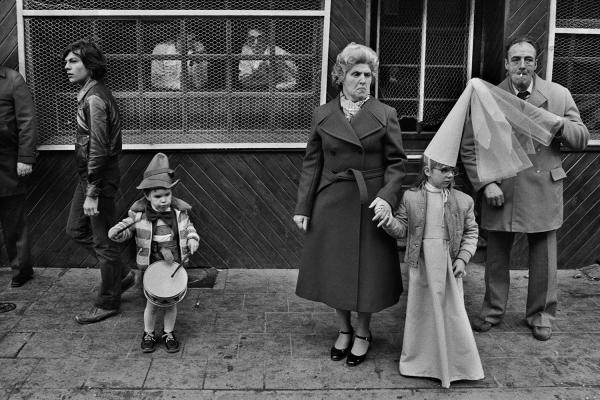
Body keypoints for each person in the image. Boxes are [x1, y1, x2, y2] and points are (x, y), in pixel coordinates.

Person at [461, 36, 589, 341]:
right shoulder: (487, 96)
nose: (522, 65)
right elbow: (469, 146)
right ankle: (492, 310)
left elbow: (581, 138)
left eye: (528, 59)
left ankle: (541, 315)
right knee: (496, 256)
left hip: (542, 184)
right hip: (501, 188)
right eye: (515, 59)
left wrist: (558, 123)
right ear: (506, 63)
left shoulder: (558, 95)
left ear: (536, 63)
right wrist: (486, 182)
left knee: (544, 256)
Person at [292, 43, 406, 367]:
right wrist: (303, 207)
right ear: (340, 77)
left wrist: (386, 197)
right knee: (334, 271)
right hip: (331, 200)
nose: (363, 80)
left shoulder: (386, 115)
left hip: (370, 203)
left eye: (368, 74)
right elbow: (311, 164)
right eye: (356, 73)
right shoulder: (323, 114)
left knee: (367, 273)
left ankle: (364, 332)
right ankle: (343, 328)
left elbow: (398, 164)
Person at [382, 154, 483, 388]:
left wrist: (463, 258)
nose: (449, 175)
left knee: (452, 311)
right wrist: (389, 222)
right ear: (428, 171)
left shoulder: (463, 200)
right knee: (421, 312)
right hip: (422, 261)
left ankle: (458, 364)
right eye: (443, 170)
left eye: (452, 171)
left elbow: (471, 232)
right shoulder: (411, 197)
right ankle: (420, 363)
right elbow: (402, 228)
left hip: (449, 262)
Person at [63, 39, 134, 324]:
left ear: (90, 65)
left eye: (73, 61)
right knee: (75, 229)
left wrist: (93, 191)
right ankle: (122, 275)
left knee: (104, 243)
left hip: (98, 178)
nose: (66, 66)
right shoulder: (90, 93)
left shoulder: (94, 98)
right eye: (66, 61)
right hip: (90, 177)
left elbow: (99, 148)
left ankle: (108, 301)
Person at [108, 152, 199, 353]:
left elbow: (188, 228)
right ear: (147, 196)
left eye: (167, 195)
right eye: (158, 196)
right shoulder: (138, 215)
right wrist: (117, 233)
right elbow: (127, 229)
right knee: (151, 303)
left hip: (173, 262)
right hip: (150, 262)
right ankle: (149, 332)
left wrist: (192, 240)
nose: (164, 200)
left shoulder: (179, 213)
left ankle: (168, 332)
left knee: (170, 302)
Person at [0, 66, 37, 287]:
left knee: (13, 221)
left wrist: (25, 157)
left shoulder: (12, 79)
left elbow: (27, 120)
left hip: (6, 164)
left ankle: (21, 270)